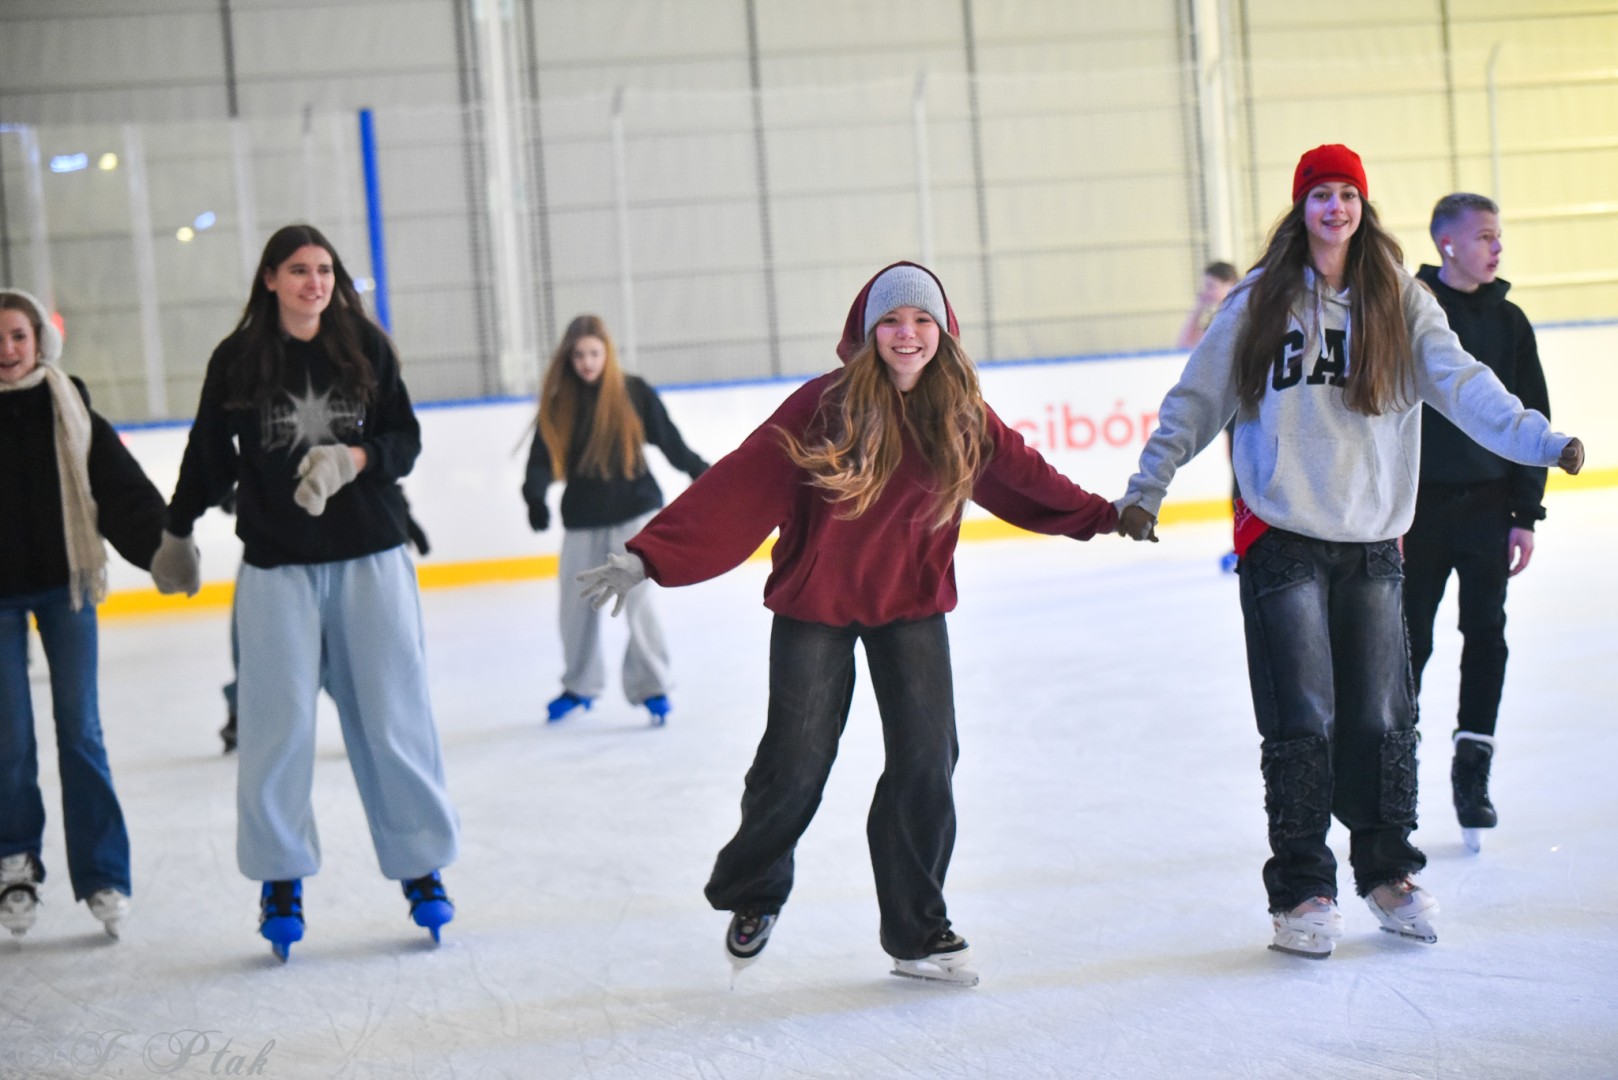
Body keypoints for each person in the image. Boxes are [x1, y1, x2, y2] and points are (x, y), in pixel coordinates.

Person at [577, 262, 1119, 985]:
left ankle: (917, 933)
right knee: (795, 762)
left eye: (921, 320)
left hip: (910, 605)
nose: (907, 334)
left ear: (943, 331)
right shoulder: (822, 406)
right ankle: (755, 890)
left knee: (927, 762)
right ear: (868, 332)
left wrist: (1104, 515)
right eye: (891, 320)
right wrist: (651, 555)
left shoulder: (960, 413)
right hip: (817, 604)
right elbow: (740, 484)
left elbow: (1025, 476)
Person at [1113, 146, 1583, 960]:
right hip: (1282, 532)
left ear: (1364, 207)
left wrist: (1538, 442)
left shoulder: (1398, 298)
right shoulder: (1261, 300)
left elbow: (1463, 384)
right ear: (1301, 208)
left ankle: (1388, 873)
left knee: (1381, 716)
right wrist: (1148, 485)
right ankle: (1303, 889)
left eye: (1348, 194)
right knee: (1302, 718)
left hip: (1372, 538)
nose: (1336, 208)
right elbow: (1197, 397)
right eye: (1321, 195)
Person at [150, 224, 460, 960]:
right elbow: (206, 452)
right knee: (275, 727)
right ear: (270, 279)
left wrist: (356, 458)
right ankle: (280, 878)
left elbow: (406, 440)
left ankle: (421, 866)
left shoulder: (365, 347)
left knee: (392, 716)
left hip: (371, 558)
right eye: (297, 270)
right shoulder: (237, 360)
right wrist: (177, 528)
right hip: (277, 567)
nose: (313, 282)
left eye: (323, 270)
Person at [1, 287, 167, 941]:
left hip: (65, 587)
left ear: (40, 339)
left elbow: (119, 488)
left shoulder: (68, 402)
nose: (7, 349)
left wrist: (162, 547)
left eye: (18, 335)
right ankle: (15, 863)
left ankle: (102, 873)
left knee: (81, 732)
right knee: (8, 739)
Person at [1404, 194, 1553, 854]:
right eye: (1485, 236)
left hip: (1489, 509)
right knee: (1407, 639)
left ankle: (1472, 772)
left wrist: (1525, 511)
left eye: (1498, 236)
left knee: (1486, 635)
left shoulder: (1510, 321)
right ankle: (1395, 773)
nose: (1497, 248)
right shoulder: (1411, 311)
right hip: (1417, 512)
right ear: (1448, 245)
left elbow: (1532, 414)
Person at [522, 314, 708, 727]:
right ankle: (579, 686)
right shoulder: (560, 404)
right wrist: (534, 496)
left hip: (635, 513)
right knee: (575, 606)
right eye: (579, 355)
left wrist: (698, 469)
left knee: (639, 604)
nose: (587, 362)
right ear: (568, 358)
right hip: (583, 518)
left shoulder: (632, 392)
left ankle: (653, 685)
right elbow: (540, 459)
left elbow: (669, 439)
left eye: (594, 353)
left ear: (607, 354)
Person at [1176, 260, 1240, 350]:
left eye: (1211, 286)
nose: (1206, 292)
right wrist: (1198, 309)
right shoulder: (1219, 316)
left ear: (1230, 284)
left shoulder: (1237, 315)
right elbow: (1185, 345)